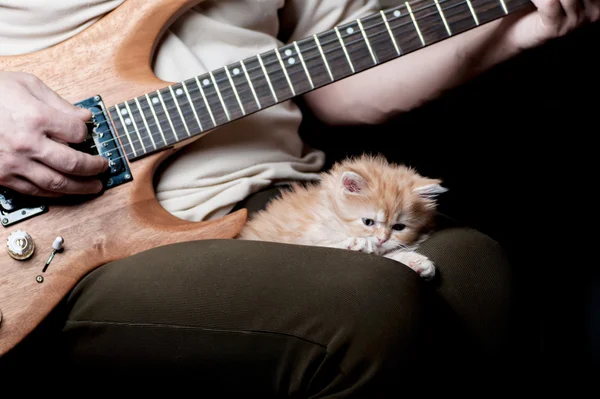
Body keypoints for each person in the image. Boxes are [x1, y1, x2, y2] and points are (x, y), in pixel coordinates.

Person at [0, 0, 597, 394]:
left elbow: (345, 79)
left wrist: (519, 25)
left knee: (474, 274)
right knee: (365, 301)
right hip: (80, 234)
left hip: (286, 199)